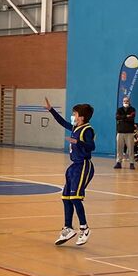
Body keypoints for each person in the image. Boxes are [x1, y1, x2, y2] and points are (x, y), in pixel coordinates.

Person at [44, 96, 95, 246]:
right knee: (66, 197)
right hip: (74, 166)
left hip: (83, 165)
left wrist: (78, 142)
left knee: (75, 198)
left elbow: (92, 146)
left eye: (75, 114)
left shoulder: (87, 130)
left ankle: (84, 228)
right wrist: (51, 110)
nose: (73, 116)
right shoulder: (75, 127)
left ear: (82, 117)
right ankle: (68, 228)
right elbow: (63, 122)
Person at [114, 96, 136, 170]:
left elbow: (131, 118)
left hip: (129, 132)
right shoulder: (119, 109)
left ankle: (131, 163)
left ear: (129, 102)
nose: (125, 102)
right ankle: (118, 162)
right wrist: (126, 116)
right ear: (122, 101)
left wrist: (122, 118)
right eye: (124, 101)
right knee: (119, 148)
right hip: (120, 132)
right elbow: (117, 117)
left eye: (127, 101)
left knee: (131, 148)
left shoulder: (132, 109)